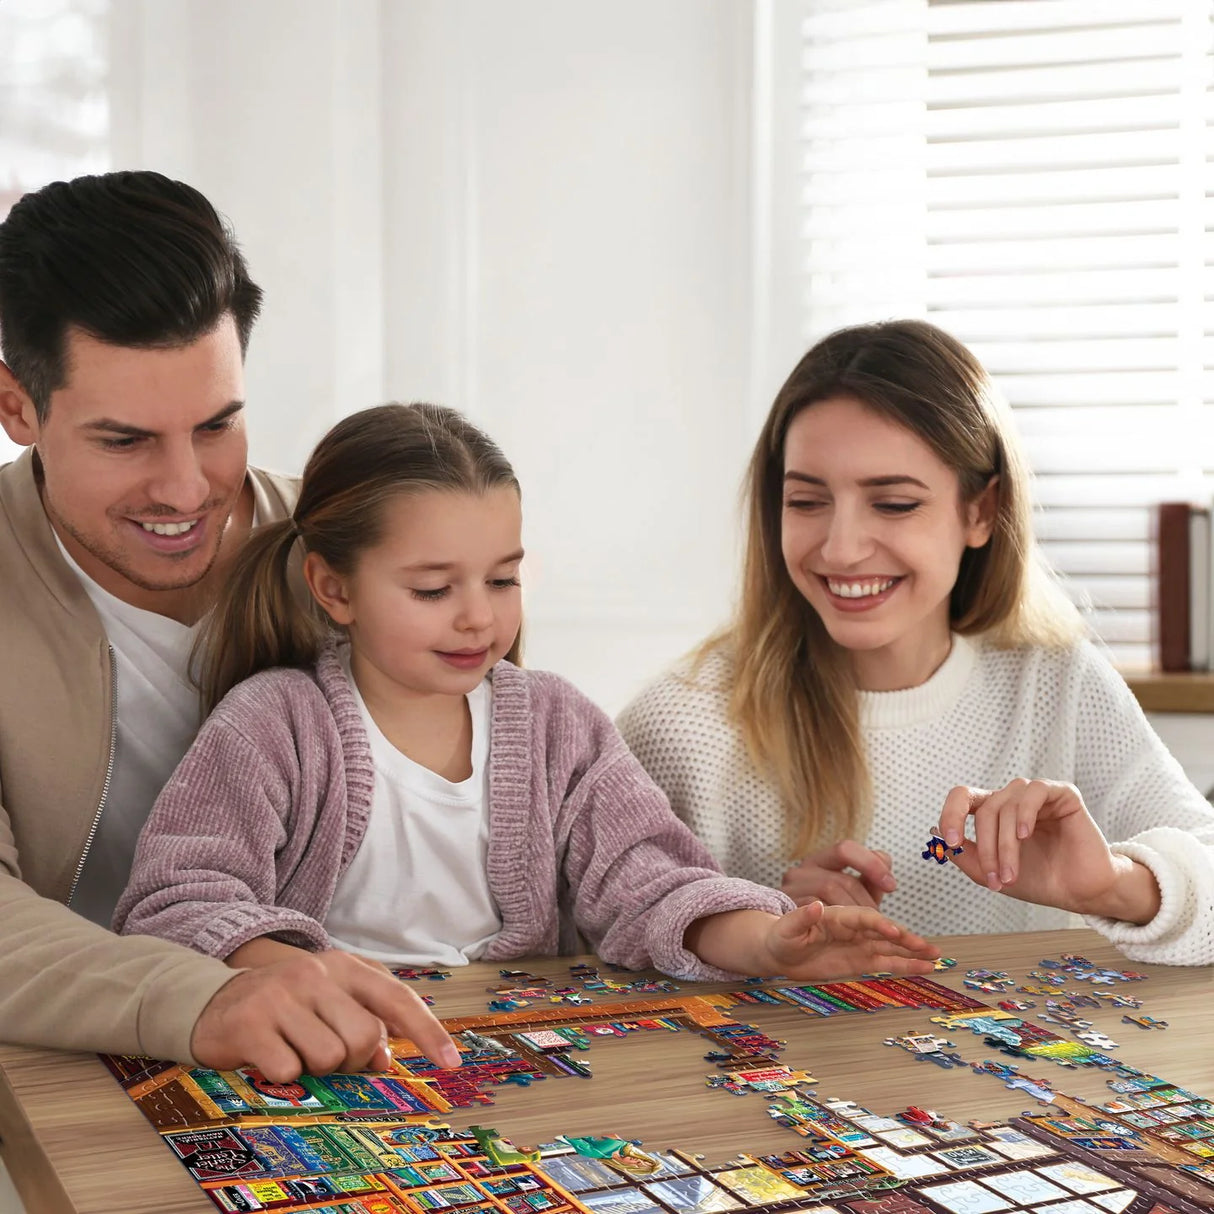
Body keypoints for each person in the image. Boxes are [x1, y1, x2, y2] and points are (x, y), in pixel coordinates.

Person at [114, 403, 941, 994]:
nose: (481, 615)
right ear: (333, 588)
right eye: (434, 589)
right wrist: (303, 976)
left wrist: (771, 940)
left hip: (515, 1059)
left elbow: (649, 884)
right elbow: (178, 901)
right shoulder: (273, 723)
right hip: (323, 1053)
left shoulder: (556, 724)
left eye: (504, 579)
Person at [0, 171, 457, 1078]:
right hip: (72, 1077)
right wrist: (200, 996)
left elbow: (536, 805)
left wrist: (746, 915)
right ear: (16, 407)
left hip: (380, 1062)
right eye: (124, 440)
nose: (183, 490)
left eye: (216, 426)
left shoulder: (364, 556)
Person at [618, 319, 1214, 965]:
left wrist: (1117, 888)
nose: (841, 549)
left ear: (981, 512)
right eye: (806, 501)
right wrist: (753, 935)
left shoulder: (1055, 682)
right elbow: (591, 946)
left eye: (894, 504)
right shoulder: (678, 723)